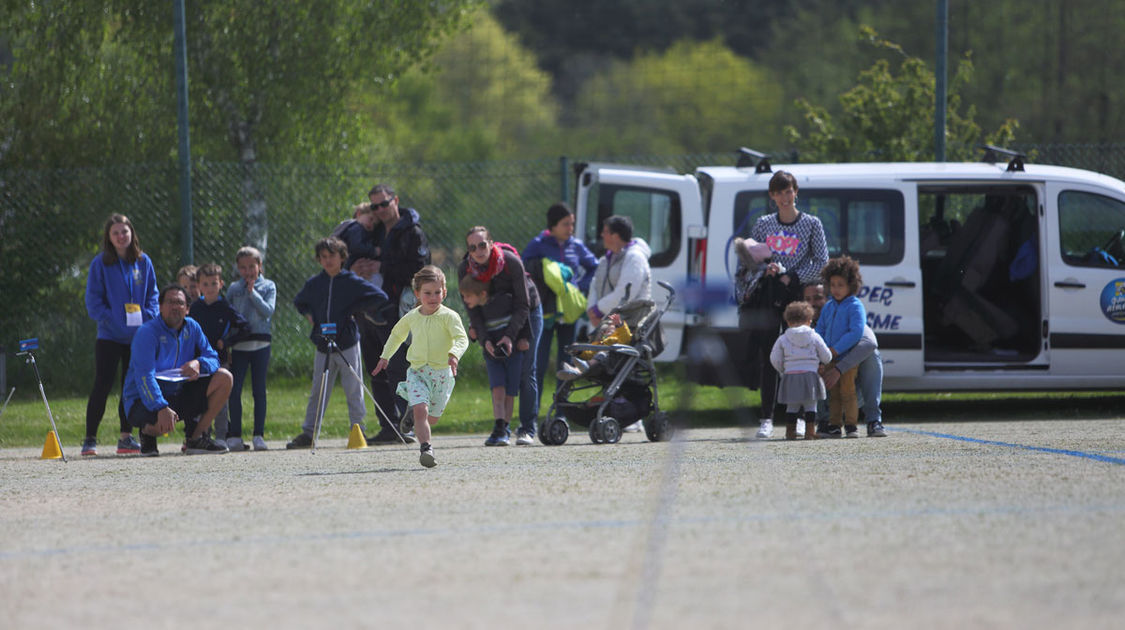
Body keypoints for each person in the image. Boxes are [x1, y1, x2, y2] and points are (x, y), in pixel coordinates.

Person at [744, 170, 829, 439]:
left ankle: (802, 417)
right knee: (770, 355)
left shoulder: (812, 223)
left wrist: (793, 275)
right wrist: (764, 269)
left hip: (797, 296)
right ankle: (767, 418)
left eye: (788, 191)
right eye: (778, 192)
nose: (784, 197)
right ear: (772, 196)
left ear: (796, 192)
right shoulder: (763, 224)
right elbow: (749, 259)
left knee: (802, 353)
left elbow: (822, 260)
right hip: (769, 295)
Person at [287, 237, 391, 449]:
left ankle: (358, 429)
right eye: (323, 257)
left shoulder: (351, 281)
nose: (328, 261)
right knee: (319, 389)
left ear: (342, 257)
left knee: (354, 387)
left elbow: (379, 296)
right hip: (323, 344)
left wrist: (357, 309)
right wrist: (309, 315)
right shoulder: (315, 283)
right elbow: (300, 302)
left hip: (347, 343)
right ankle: (309, 433)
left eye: (332, 256)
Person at [373, 266, 469, 467]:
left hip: (442, 374)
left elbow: (461, 338)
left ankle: (412, 411)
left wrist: (454, 354)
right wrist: (385, 357)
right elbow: (397, 335)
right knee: (421, 411)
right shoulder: (412, 316)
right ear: (417, 294)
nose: (433, 297)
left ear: (444, 292)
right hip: (417, 372)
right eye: (427, 293)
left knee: (431, 419)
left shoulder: (449, 316)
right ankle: (426, 448)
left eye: (437, 292)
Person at [121, 284, 233, 456]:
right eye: (170, 302)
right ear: (160, 307)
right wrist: (161, 407)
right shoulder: (147, 333)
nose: (175, 307)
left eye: (180, 303)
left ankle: (194, 439)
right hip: (142, 399)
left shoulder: (192, 327)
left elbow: (214, 359)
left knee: (225, 378)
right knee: (158, 421)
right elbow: (144, 377)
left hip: (178, 392)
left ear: (187, 309)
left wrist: (199, 363)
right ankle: (148, 433)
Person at [458, 226, 543, 446]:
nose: (478, 250)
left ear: (491, 243)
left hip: (525, 314)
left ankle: (526, 428)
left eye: (482, 244)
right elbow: (473, 311)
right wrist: (486, 340)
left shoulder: (510, 262)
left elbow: (523, 304)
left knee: (525, 371)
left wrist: (511, 337)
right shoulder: (465, 270)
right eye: (472, 247)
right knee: (499, 379)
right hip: (492, 319)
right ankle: (501, 428)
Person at [82, 213, 159, 456]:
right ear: (109, 237)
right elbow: (93, 301)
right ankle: (90, 439)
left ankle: (126, 437)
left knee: (131, 386)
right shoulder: (100, 263)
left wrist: (147, 316)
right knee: (102, 385)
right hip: (109, 336)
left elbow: (153, 296)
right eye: (115, 233)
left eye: (124, 232)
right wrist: (112, 318)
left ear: (131, 233)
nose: (120, 236)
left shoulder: (143, 262)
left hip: (137, 337)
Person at [361, 183, 432, 444]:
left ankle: (406, 423)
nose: (380, 209)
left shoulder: (412, 232)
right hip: (371, 307)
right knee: (375, 367)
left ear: (396, 200)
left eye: (384, 203)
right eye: (374, 206)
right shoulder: (374, 231)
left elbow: (421, 271)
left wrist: (382, 266)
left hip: (400, 310)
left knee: (398, 367)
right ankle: (388, 424)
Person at [522, 202, 599, 399]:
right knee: (539, 361)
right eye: (565, 224)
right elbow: (523, 270)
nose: (570, 229)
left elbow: (594, 266)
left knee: (566, 362)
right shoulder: (538, 244)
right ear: (553, 226)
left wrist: (578, 287)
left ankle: (561, 410)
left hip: (568, 312)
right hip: (545, 310)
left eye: (571, 224)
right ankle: (533, 413)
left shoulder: (576, 245)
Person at [804, 283, 888, 438]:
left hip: (851, 392)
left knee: (871, 354)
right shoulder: (801, 327)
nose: (812, 303)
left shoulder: (847, 314)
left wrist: (838, 369)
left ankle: (873, 420)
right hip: (825, 392)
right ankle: (823, 421)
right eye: (807, 299)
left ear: (830, 298)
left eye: (817, 298)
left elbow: (870, 343)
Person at [459, 274, 533, 446]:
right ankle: (499, 427)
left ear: (482, 294)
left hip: (512, 353)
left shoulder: (505, 301)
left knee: (510, 393)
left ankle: (505, 429)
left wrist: (524, 338)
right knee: (497, 391)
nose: (465, 300)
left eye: (468, 296)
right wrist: (482, 340)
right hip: (492, 356)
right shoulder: (478, 310)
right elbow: (478, 327)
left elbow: (522, 316)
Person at [189, 263, 251, 450]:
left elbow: (245, 327)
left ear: (221, 284)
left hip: (220, 360)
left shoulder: (225, 307)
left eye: (214, 284)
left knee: (220, 400)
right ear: (199, 286)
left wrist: (228, 342)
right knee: (200, 398)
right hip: (199, 362)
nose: (209, 288)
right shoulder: (196, 308)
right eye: (205, 284)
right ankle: (200, 435)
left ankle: (221, 435)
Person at [225, 246, 277, 451]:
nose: (248, 272)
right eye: (243, 268)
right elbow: (228, 316)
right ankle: (235, 435)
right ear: (238, 268)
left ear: (260, 266)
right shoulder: (233, 289)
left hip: (261, 345)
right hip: (239, 346)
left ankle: (258, 434)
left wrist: (253, 292)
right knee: (234, 390)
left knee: (259, 391)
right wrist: (228, 343)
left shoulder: (269, 286)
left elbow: (268, 311)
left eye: (252, 267)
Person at [814, 256, 867, 438]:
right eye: (833, 284)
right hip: (829, 356)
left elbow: (856, 332)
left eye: (841, 285)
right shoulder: (828, 306)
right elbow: (820, 328)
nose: (836, 289)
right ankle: (834, 425)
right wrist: (822, 351)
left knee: (847, 391)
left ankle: (851, 425)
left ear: (851, 285)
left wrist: (835, 349)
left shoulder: (855, 306)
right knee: (833, 393)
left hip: (846, 358)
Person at [769, 301, 831, 441]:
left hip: (791, 375)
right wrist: (822, 363)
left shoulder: (783, 338)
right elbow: (826, 356)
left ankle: (790, 432)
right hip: (810, 375)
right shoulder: (814, 336)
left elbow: (774, 358)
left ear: (788, 321)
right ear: (809, 321)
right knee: (811, 405)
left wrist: (784, 369)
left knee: (792, 406)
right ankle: (810, 432)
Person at [587, 215, 652, 329]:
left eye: (605, 232)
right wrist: (592, 311)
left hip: (628, 327)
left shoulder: (635, 258)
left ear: (615, 236)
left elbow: (626, 293)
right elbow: (595, 284)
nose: (602, 235)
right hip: (604, 326)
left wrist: (598, 310)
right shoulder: (605, 259)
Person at [555, 312, 632, 381]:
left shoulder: (618, 339)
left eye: (611, 330)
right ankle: (575, 371)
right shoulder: (599, 343)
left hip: (612, 362)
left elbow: (626, 337)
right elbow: (590, 354)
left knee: (602, 353)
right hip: (597, 364)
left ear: (617, 331)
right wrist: (580, 351)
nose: (606, 332)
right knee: (593, 351)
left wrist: (620, 325)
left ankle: (583, 367)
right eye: (605, 331)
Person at [339, 201, 383, 287]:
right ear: (359, 214)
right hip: (349, 264)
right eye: (370, 219)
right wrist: (374, 251)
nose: (371, 224)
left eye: (374, 224)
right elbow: (356, 247)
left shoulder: (359, 229)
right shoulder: (356, 228)